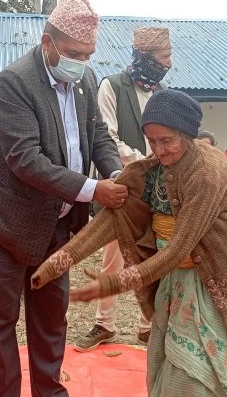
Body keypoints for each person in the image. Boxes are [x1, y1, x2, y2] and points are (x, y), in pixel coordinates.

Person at [32, 89, 227, 397]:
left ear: (187, 134)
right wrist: (55, 265)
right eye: (152, 141)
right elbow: (110, 220)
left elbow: (179, 249)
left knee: (195, 373)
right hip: (173, 283)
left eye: (167, 140)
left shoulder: (206, 172)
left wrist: (114, 283)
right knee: (165, 359)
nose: (159, 150)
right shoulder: (152, 171)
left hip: (208, 281)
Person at [0, 0, 126, 397]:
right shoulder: (15, 83)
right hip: (4, 226)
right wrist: (95, 191)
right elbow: (26, 160)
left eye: (89, 54)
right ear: (47, 43)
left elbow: (97, 136)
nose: (82, 62)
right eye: (74, 52)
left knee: (51, 320)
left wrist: (117, 173)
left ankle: (49, 391)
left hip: (56, 229)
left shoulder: (86, 80)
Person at [76, 26, 172, 352]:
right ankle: (104, 324)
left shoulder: (162, 92)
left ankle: (148, 326)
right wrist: (142, 161)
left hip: (155, 191)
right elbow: (106, 138)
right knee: (113, 260)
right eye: (164, 56)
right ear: (146, 56)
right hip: (123, 186)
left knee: (150, 257)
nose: (169, 63)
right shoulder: (112, 87)